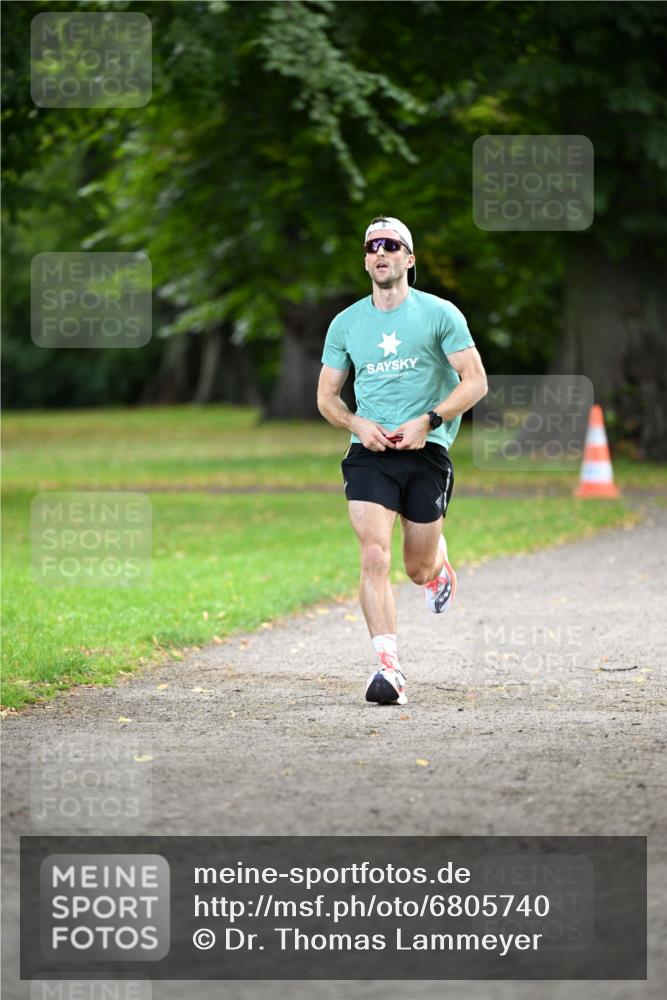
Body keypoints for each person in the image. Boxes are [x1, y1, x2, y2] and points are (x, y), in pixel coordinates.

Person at [317, 216, 488, 705]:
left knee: (416, 567)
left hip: (427, 451)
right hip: (368, 454)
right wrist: (357, 425)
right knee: (374, 554)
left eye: (392, 245)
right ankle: (388, 670)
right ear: (366, 259)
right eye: (372, 246)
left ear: (409, 259)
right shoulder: (346, 323)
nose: (381, 253)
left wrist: (429, 421)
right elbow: (327, 397)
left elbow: (475, 382)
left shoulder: (439, 314)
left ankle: (438, 567)